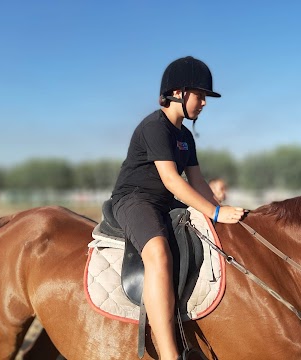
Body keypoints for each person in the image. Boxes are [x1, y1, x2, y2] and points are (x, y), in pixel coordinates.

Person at [111, 56, 244, 360]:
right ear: (179, 93)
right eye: (200, 96)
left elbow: (197, 181)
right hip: (135, 198)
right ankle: (170, 354)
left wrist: (219, 209)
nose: (204, 103)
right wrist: (216, 212)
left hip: (164, 201)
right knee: (158, 253)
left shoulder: (185, 136)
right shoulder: (154, 127)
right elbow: (172, 180)